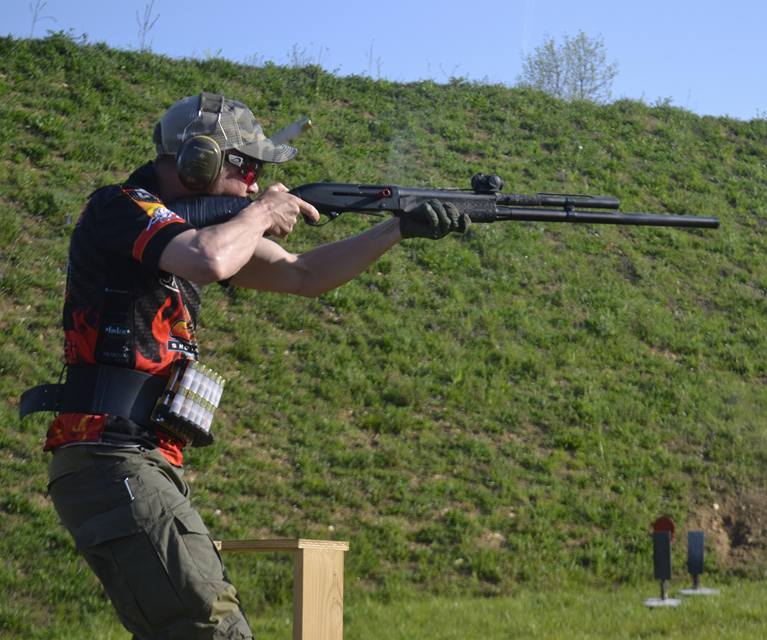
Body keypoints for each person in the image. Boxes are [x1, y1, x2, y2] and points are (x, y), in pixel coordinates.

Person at [30, 92, 469, 639]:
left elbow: (302, 275)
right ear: (201, 159)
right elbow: (208, 259)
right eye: (249, 169)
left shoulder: (192, 232)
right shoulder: (120, 208)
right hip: (111, 455)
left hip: (140, 458)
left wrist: (396, 230)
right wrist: (260, 215)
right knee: (215, 630)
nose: (257, 185)